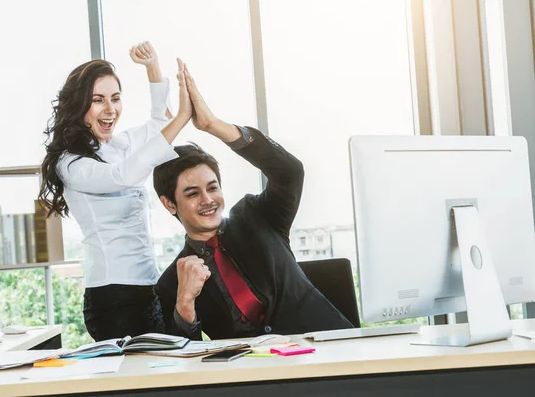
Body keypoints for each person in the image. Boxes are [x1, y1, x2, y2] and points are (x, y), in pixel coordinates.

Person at [153, 66, 353, 340]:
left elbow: (289, 172)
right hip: (255, 377)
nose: (208, 200)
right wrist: (185, 304)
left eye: (213, 187)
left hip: (329, 355)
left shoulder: (258, 216)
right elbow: (181, 360)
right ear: (169, 204)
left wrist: (213, 125)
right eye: (192, 193)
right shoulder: (172, 283)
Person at [38, 42, 194, 341]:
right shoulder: (69, 163)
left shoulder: (118, 145)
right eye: (98, 100)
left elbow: (159, 124)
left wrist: (152, 68)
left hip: (146, 288)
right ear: (79, 105)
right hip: (112, 297)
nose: (110, 110)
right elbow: (121, 176)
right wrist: (182, 116)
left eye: (115, 98)